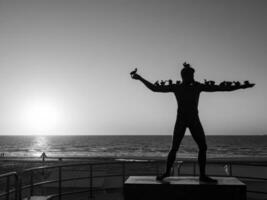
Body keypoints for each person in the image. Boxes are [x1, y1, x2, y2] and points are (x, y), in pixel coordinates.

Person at [130, 62, 255, 183]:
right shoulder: (181, 87)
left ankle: (201, 175)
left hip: (193, 120)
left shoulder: (193, 86)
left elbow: (221, 88)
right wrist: (140, 78)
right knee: (175, 148)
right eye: (192, 75)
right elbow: (155, 88)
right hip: (184, 120)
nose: (193, 77)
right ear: (185, 76)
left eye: (193, 76)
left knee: (201, 147)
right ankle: (168, 172)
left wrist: (241, 87)